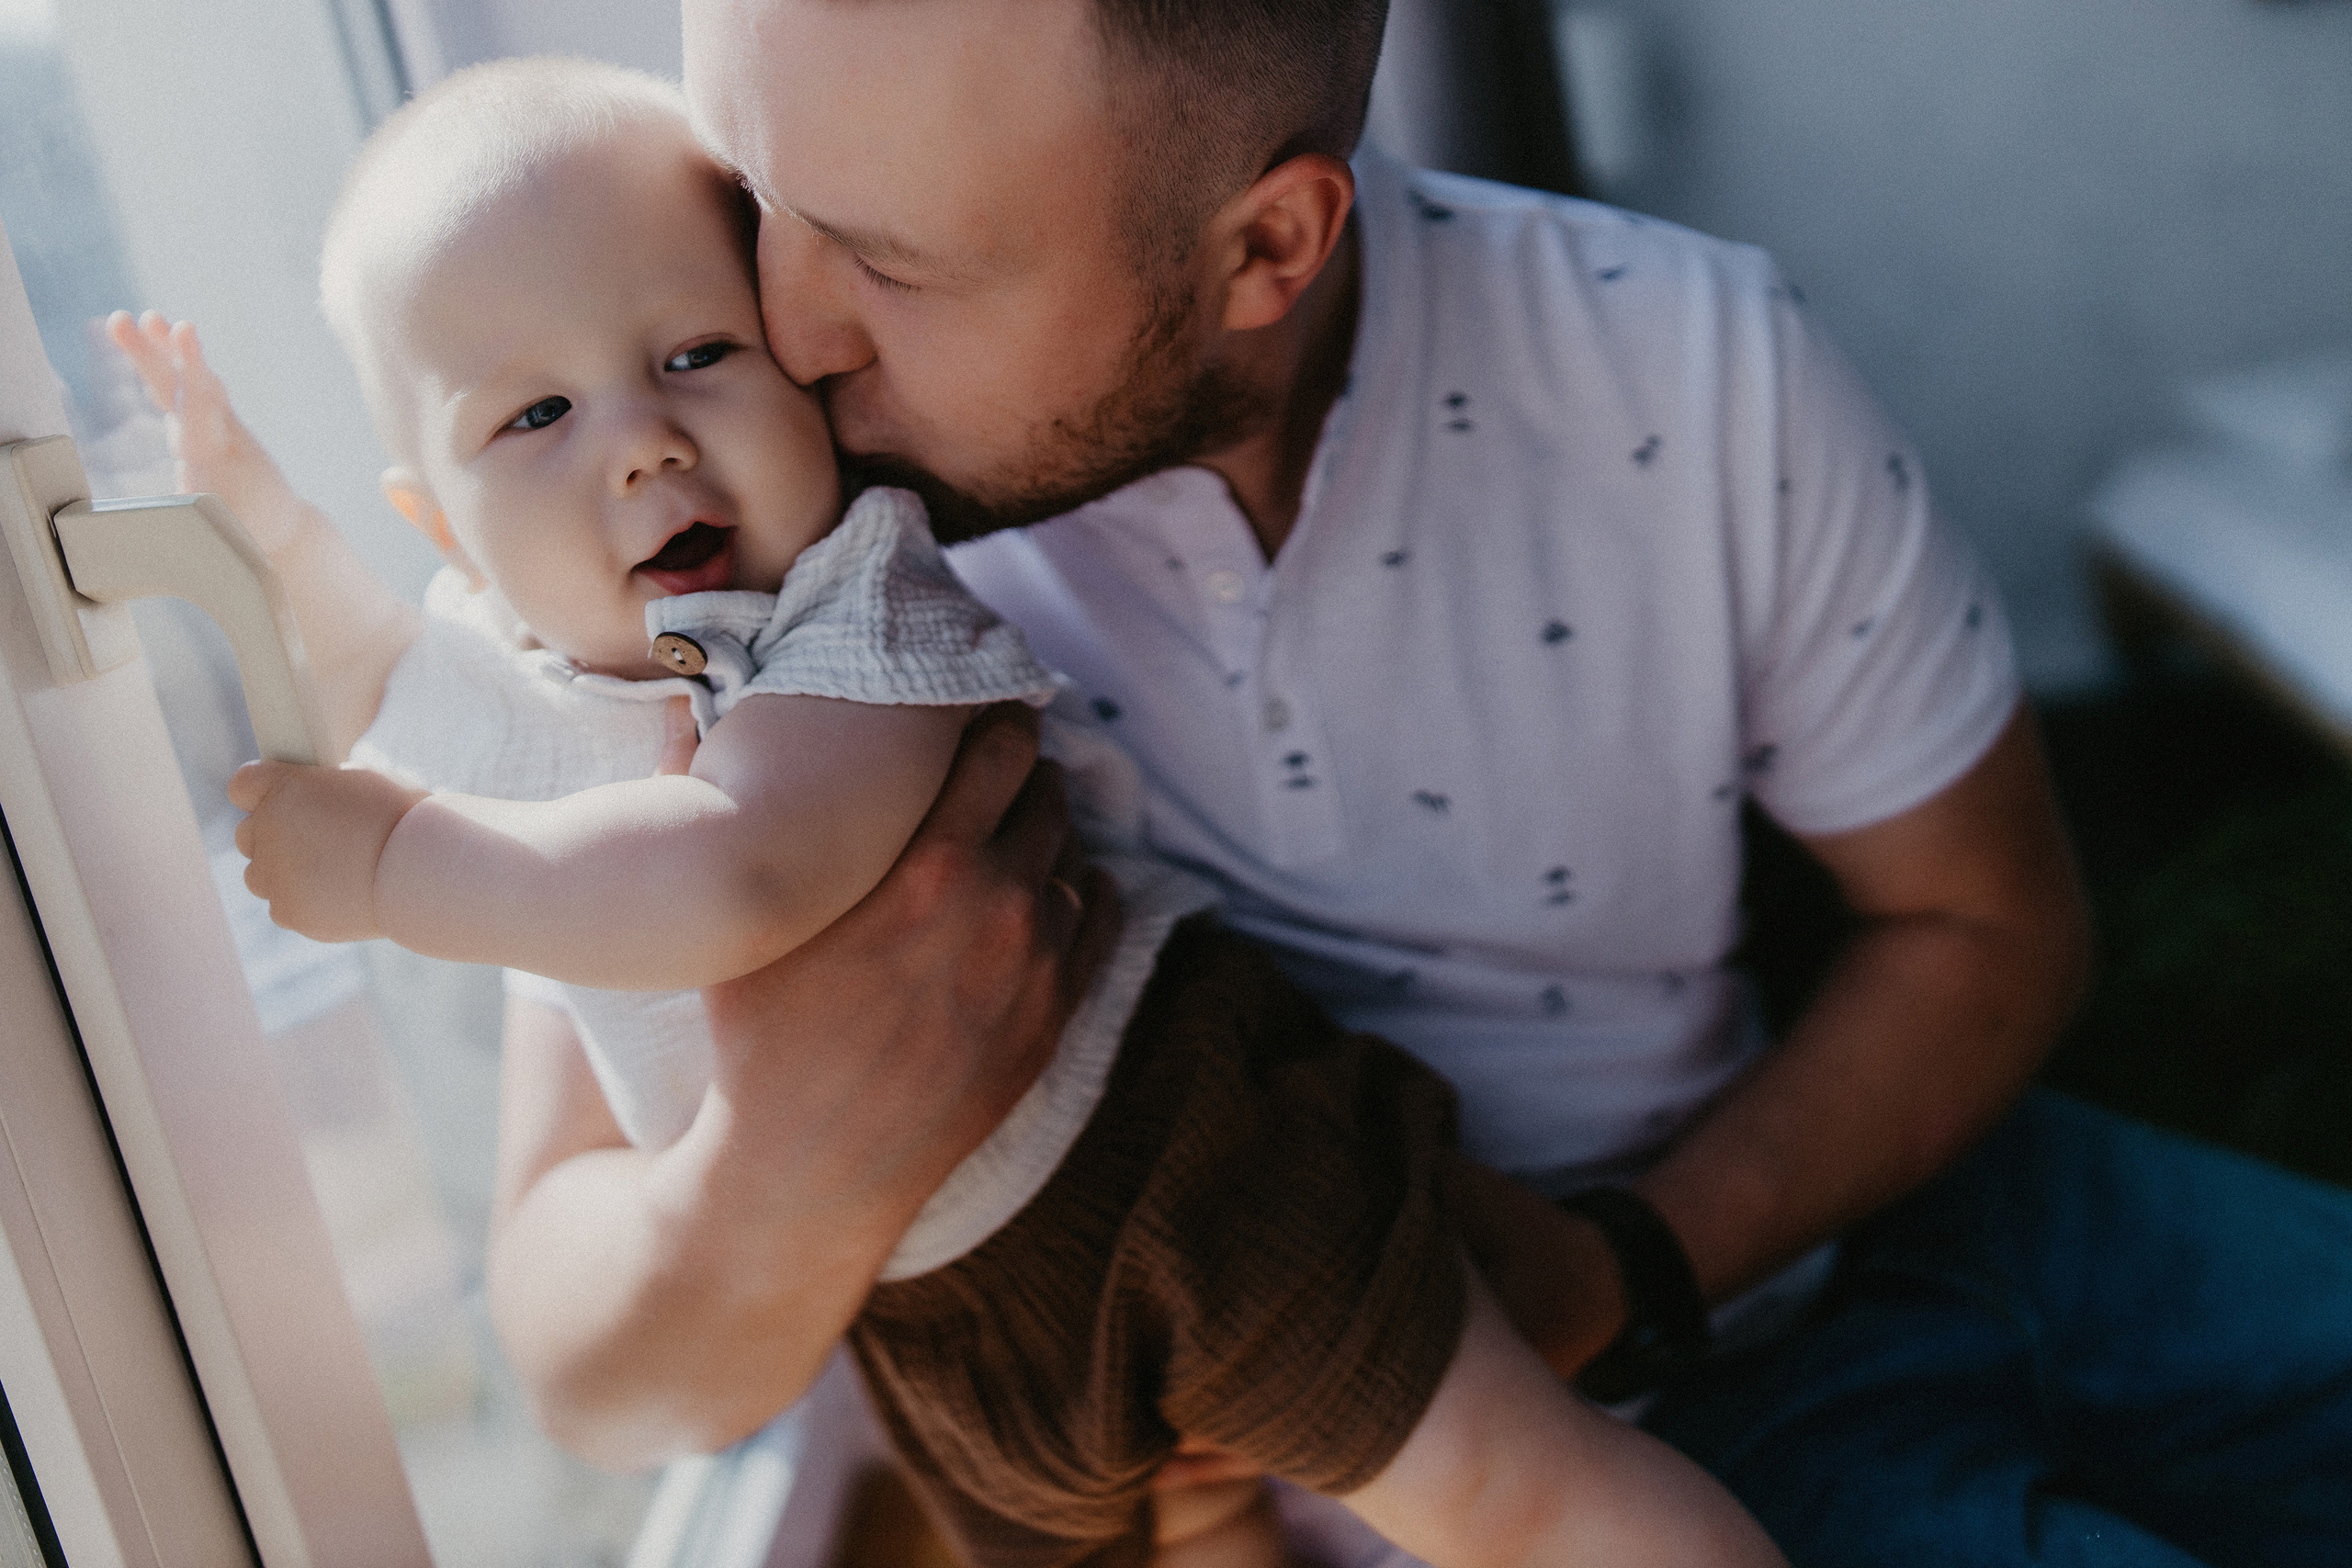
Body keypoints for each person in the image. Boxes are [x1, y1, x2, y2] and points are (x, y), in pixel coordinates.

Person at [476, 2, 2352, 1564]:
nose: (788, 329)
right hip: (1514, 1445)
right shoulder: (736, 532)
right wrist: (781, 1165)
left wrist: (1622, 1259)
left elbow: (1983, 920)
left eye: (887, 257)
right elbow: (591, 1377)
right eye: (757, 199)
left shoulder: (1681, 361)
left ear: (1265, 248)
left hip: (1875, 1182)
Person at [130, 56, 1789, 1568]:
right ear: (443, 521)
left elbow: (739, 876)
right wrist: (258, 517)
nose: (642, 446)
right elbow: (367, 665)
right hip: (937, 1325)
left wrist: (403, 871)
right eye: (535, 417)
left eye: (697, 355)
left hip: (1176, 1160)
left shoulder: (857, 610)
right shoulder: (530, 683)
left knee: (1515, 1498)